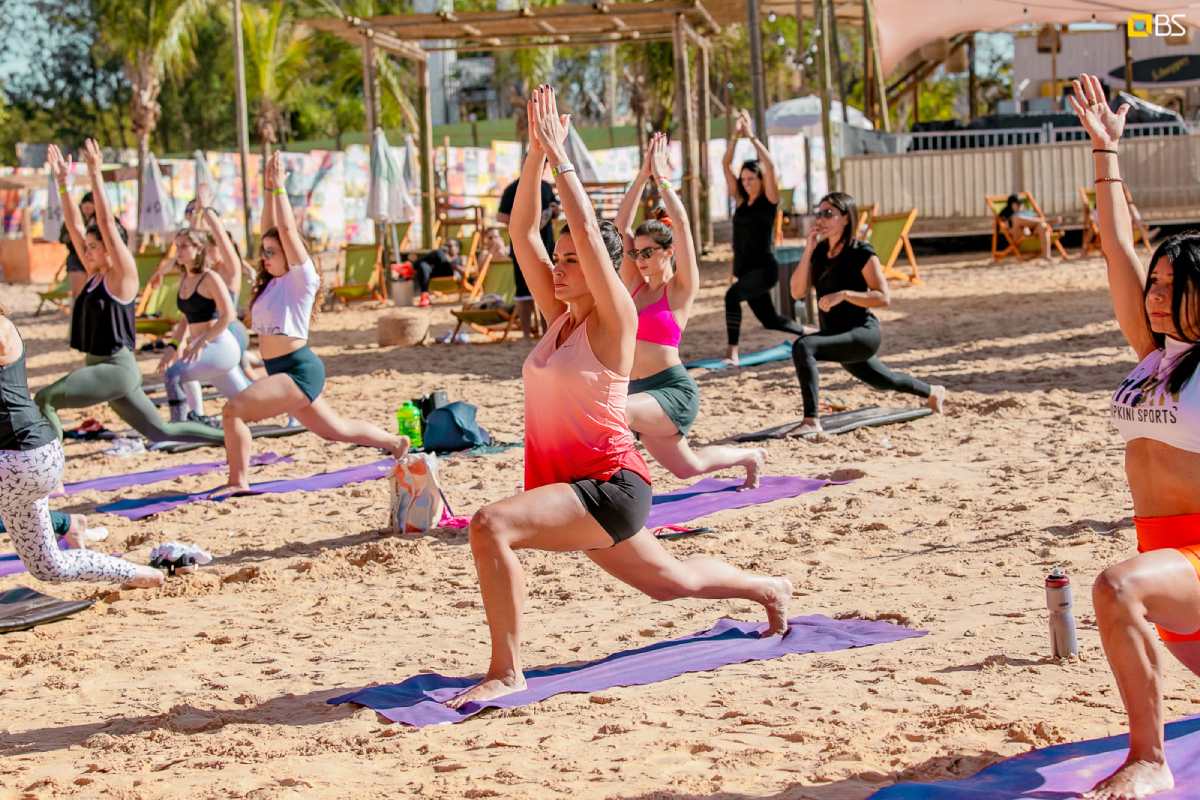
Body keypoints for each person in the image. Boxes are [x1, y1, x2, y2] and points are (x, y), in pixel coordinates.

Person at [446, 85, 792, 710]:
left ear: (604, 270)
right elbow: (523, 230)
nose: (559, 266)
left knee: (489, 524)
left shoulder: (617, 320)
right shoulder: (559, 317)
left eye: (574, 260)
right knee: (672, 582)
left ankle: (507, 670)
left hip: (608, 487)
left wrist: (564, 161)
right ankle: (768, 587)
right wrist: (534, 155)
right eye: (560, 259)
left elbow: (582, 223)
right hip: (569, 484)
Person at [1068, 73, 1200, 800]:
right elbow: (1118, 249)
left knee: (1115, 587)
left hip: (1190, 564)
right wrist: (1106, 152)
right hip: (1170, 560)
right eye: (1154, 281)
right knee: (1127, 583)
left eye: (1170, 282)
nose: (1153, 290)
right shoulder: (1152, 357)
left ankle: (1149, 759)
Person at [216, 152, 409, 495]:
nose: (265, 256)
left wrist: (278, 191)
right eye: (264, 252)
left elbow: (286, 230)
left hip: (297, 370)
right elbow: (271, 231)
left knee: (233, 412)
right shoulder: (271, 283)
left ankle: (237, 482)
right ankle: (396, 442)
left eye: (272, 252)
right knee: (336, 429)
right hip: (281, 370)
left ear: (290, 254)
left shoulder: (300, 280)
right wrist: (266, 189)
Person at [36, 141, 225, 447]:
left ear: (112, 248)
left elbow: (108, 224)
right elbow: (72, 225)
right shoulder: (95, 274)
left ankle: (52, 476)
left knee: (45, 399)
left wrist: (96, 173)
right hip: (102, 369)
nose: (88, 251)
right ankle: (230, 438)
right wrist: (61, 183)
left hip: (114, 369)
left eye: (94, 246)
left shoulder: (122, 278)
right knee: (161, 432)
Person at [614, 131, 766, 488]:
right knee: (689, 467)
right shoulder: (634, 285)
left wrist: (663, 179)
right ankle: (750, 456)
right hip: (640, 391)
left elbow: (681, 226)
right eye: (637, 253)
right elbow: (619, 227)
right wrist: (642, 176)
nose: (640, 259)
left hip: (671, 391)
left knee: (611, 411)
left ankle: (614, 492)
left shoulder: (680, 288)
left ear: (668, 252)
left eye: (648, 252)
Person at [0, 301, 161, 587]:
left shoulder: (3, 327)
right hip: (24, 462)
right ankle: (138, 574)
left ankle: (65, 524)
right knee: (49, 567)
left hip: (23, 459)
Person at [787, 192, 945, 434]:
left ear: (846, 219)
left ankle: (811, 421)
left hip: (862, 333)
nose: (821, 219)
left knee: (803, 346)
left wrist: (844, 295)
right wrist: (808, 250)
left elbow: (883, 297)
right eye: (818, 213)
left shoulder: (861, 252)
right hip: (837, 334)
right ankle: (932, 391)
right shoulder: (818, 253)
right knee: (884, 380)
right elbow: (797, 292)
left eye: (828, 214)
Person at [721, 109, 805, 366]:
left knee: (731, 297)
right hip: (744, 269)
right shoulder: (740, 201)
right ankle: (810, 333)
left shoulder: (769, 201)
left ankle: (732, 352)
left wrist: (751, 137)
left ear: (760, 179)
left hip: (764, 268)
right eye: (743, 179)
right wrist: (735, 137)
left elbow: (770, 165)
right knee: (770, 320)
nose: (746, 183)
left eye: (751, 178)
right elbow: (725, 165)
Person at [157, 226, 250, 425]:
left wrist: (201, 342)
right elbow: (186, 318)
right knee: (250, 402)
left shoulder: (210, 277)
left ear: (198, 249)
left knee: (174, 374)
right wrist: (172, 347)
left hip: (220, 345)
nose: (178, 251)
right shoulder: (185, 278)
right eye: (177, 246)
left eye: (184, 246)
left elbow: (229, 315)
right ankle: (196, 415)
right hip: (205, 346)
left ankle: (179, 426)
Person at [497, 166, 559, 337]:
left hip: (547, 247)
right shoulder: (513, 188)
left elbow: (556, 211)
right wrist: (523, 222)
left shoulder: (546, 187)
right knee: (523, 290)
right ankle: (525, 334)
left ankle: (549, 333)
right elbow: (500, 216)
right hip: (521, 248)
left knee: (550, 290)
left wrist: (554, 210)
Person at [59, 191, 95, 299]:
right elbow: (62, 238)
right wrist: (73, 237)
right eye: (86, 207)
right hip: (75, 256)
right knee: (77, 292)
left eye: (90, 208)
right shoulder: (74, 218)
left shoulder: (97, 220)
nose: (87, 211)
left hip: (93, 258)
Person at [998, 193, 1054, 261]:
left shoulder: (1025, 212)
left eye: (1020, 204)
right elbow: (1001, 227)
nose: (1020, 206)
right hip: (1019, 238)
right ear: (1011, 204)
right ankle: (1046, 221)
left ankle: (1046, 256)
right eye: (1018, 204)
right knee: (1016, 218)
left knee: (1042, 226)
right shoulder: (1005, 214)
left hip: (1032, 235)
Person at [411, 239, 464, 306]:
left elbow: (462, 272)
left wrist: (456, 267)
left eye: (449, 246)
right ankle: (424, 296)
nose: (446, 248)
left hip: (448, 275)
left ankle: (411, 267)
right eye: (445, 246)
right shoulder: (443, 256)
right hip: (437, 274)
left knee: (438, 253)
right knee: (423, 265)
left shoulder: (458, 258)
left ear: (457, 248)